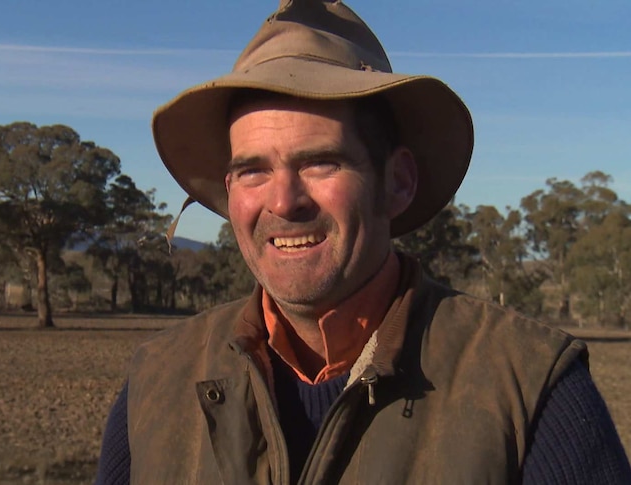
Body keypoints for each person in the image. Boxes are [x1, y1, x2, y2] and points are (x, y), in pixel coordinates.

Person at [95, 1, 631, 483]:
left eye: (320, 162)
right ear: (231, 190)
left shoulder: (530, 386)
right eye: (253, 171)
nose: (284, 202)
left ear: (397, 182)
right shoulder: (157, 382)